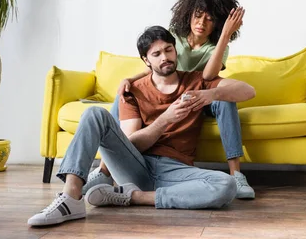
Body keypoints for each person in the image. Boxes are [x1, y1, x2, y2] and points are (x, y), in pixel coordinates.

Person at [28, 26, 256, 227]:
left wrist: (211, 93)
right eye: (156, 54)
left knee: (226, 185)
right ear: (146, 61)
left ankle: (134, 197)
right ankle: (71, 197)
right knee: (94, 113)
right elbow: (131, 144)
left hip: (176, 170)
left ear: (176, 50)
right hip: (136, 165)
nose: (164, 57)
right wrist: (165, 119)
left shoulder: (196, 81)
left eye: (168, 50)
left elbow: (248, 91)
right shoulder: (134, 90)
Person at [83, 0, 255, 199]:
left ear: (217, 23)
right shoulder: (174, 38)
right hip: (172, 94)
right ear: (189, 14)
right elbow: (157, 66)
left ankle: (236, 173)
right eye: (198, 15)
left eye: (209, 19)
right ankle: (105, 170)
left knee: (225, 99)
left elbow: (209, 76)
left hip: (198, 97)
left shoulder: (218, 46)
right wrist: (130, 79)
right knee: (126, 91)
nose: (201, 22)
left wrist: (225, 36)